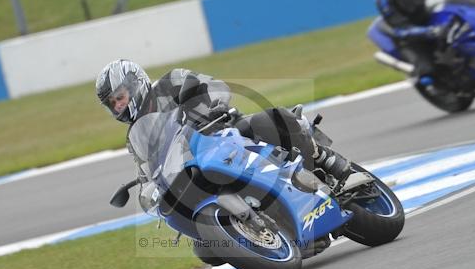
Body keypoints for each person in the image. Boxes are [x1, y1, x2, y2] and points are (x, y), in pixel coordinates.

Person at [95, 59, 351, 182]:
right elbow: (145, 169)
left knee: (273, 120)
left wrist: (215, 104)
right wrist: (146, 184)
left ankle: (324, 162)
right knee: (206, 250)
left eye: (120, 97)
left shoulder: (169, 82)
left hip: (226, 131)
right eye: (113, 103)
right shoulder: (136, 137)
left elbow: (214, 86)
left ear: (135, 84)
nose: (118, 105)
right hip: (198, 166)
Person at [376, 0, 459, 86]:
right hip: (410, 37)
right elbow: (401, 28)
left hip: (426, 18)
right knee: (428, 72)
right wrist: (428, 32)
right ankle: (434, 85)